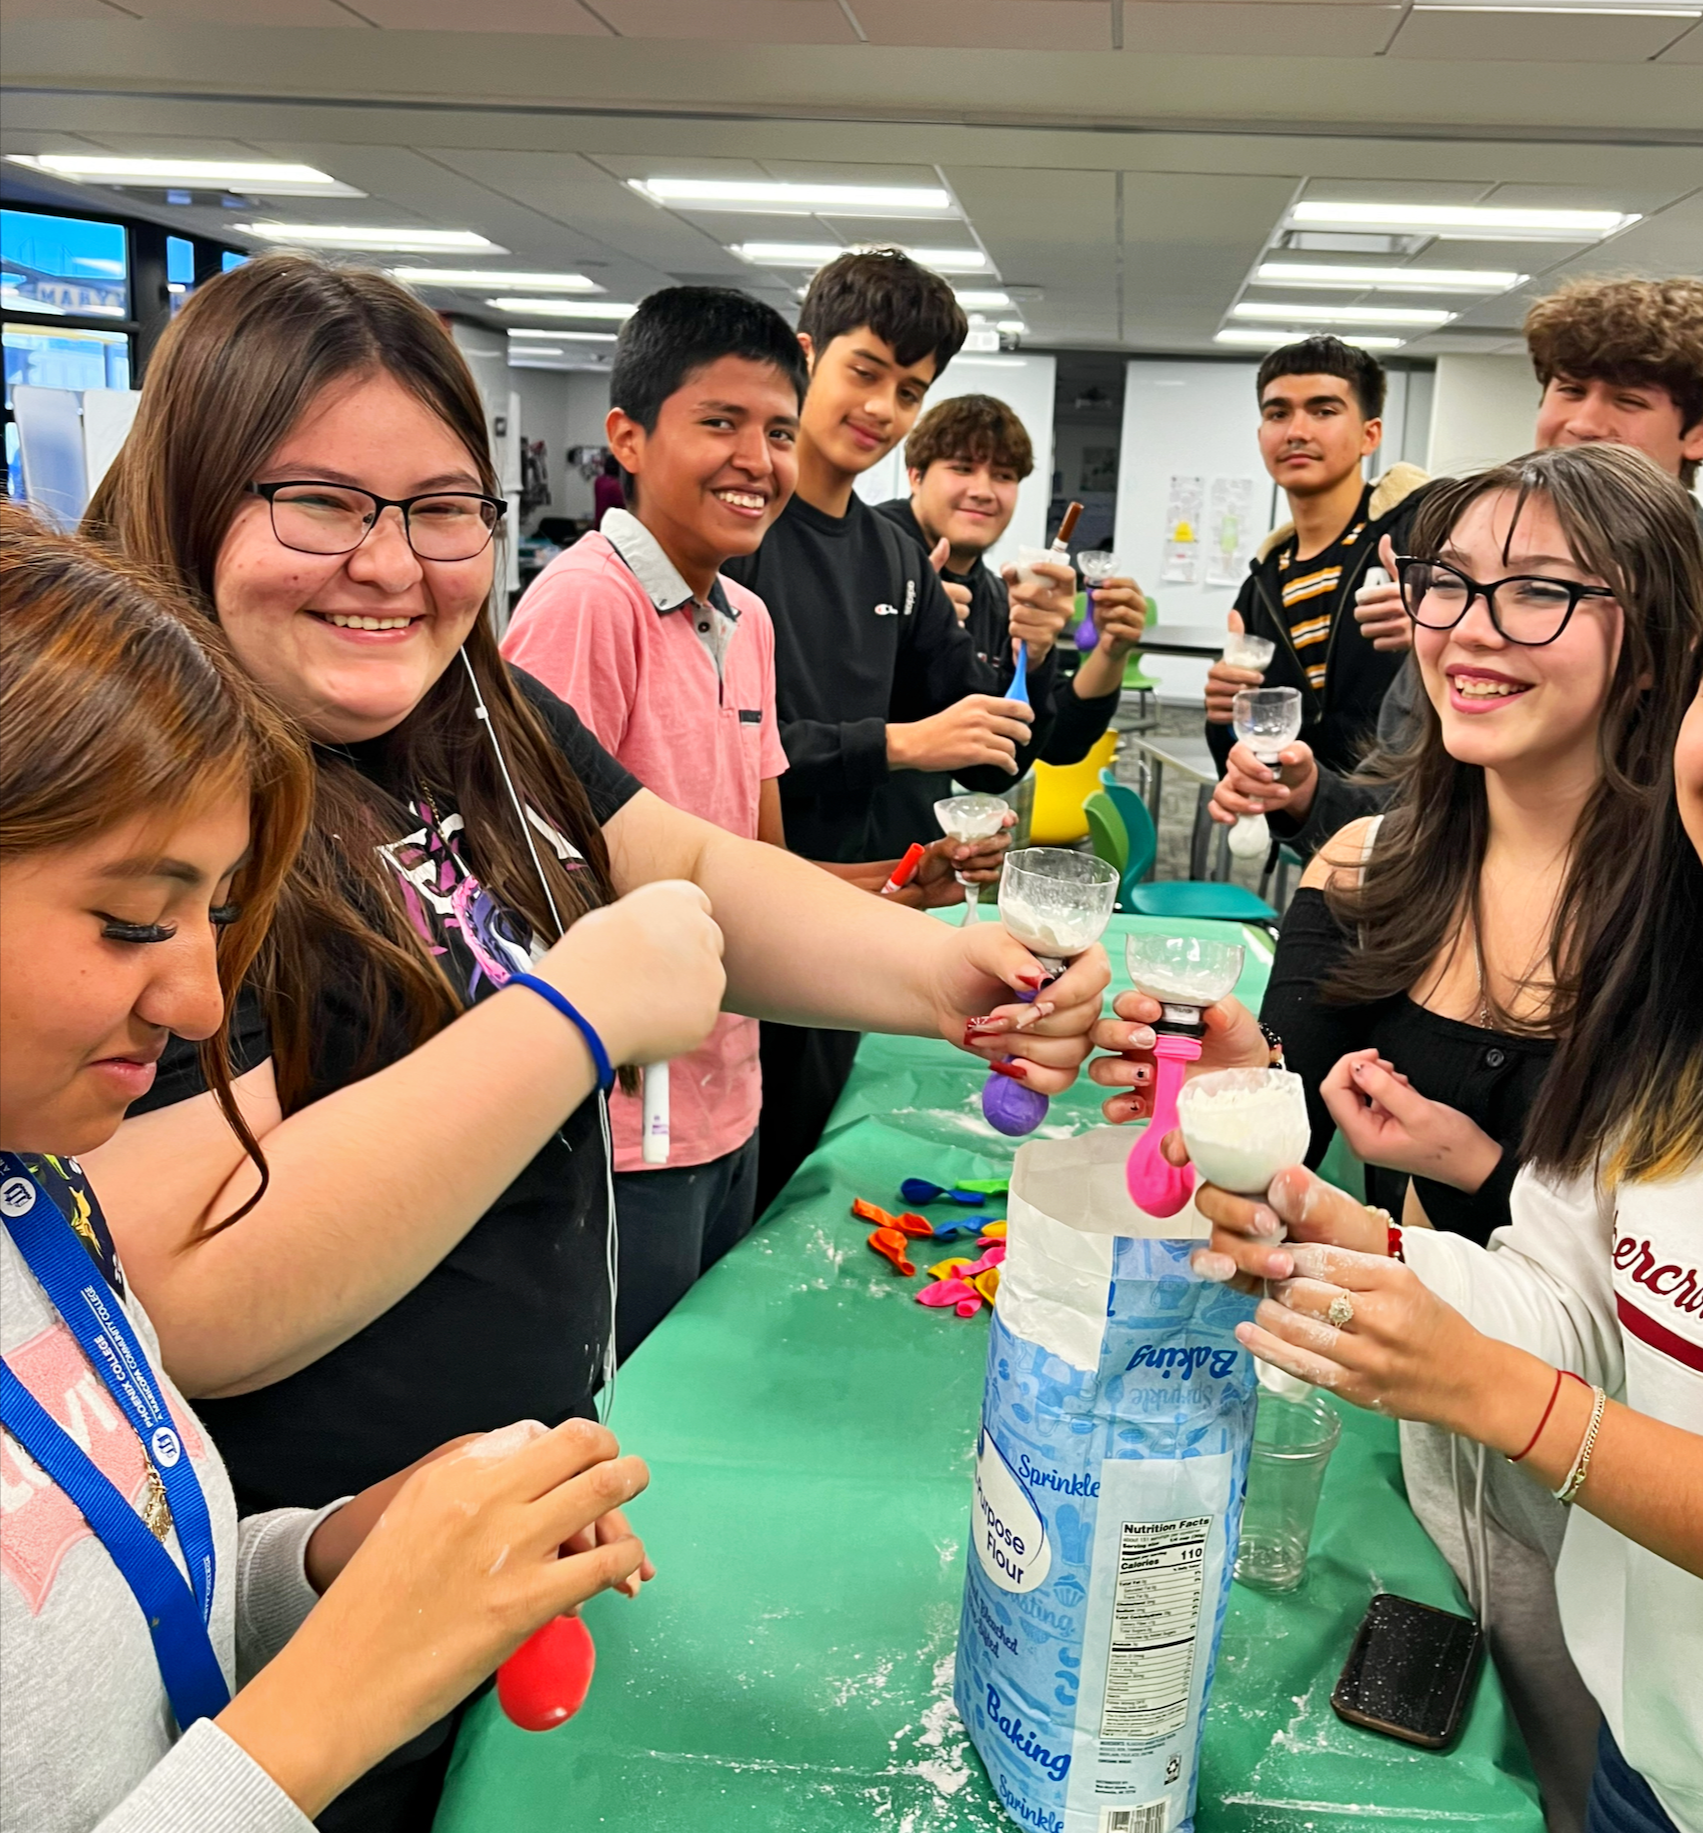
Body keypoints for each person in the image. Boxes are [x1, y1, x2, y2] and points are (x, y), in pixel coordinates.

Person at [76, 254, 1109, 1830]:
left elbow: (670, 861)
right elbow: (190, 1282)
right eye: (318, 503)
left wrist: (946, 975)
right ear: (196, 494)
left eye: (440, 509)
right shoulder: (164, 801)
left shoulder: (463, 705)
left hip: (493, 1543)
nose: (393, 564)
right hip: (303, 1611)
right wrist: (567, 1016)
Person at [0, 508, 656, 1832]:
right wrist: (337, 1702)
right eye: (134, 918)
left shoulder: (41, 1198)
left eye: (216, 912)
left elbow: (110, 1630)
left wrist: (333, 1554)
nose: (198, 1002)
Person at [1180, 514, 1703, 1833]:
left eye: (1536, 591)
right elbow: (1573, 1302)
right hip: (1654, 1750)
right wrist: (1347, 1234)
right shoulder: (1689, 1014)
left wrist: (1505, 1401)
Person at [1092, 443, 1703, 1828]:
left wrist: (1470, 1171)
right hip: (1386, 1424)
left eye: (1540, 592)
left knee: (1582, 1777)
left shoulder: (1699, 929)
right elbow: (1299, 1119)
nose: (1472, 632)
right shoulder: (1369, 863)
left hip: (1612, 1482)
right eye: (1445, 585)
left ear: (1660, 643)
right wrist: (1230, 1078)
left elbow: (1666, 1285)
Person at [501, 288, 1007, 1350]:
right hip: (619, 1135)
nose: (758, 459)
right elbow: (528, 889)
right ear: (629, 438)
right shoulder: (587, 604)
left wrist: (893, 887)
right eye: (719, 423)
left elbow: (759, 876)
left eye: (777, 430)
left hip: (731, 1103)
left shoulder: (748, 620)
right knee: (622, 1422)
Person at [719, 249, 1065, 1214]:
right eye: (864, 372)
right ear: (806, 356)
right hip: (749, 933)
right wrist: (901, 744)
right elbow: (732, 748)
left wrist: (1037, 651)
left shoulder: (894, 554)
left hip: (862, 919)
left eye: (909, 390)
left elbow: (992, 734)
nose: (881, 408)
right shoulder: (740, 535)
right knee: (738, 1194)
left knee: (808, 1174)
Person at [1215, 276, 1703, 859]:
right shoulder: (1461, 587)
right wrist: (1310, 797)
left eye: (1628, 401)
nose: (1583, 423)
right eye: (1570, 389)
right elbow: (1402, 799)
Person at [876, 392, 1148, 816]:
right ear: (915, 475)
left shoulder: (996, 595)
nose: (983, 491)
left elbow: (1043, 748)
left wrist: (1108, 652)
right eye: (962, 468)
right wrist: (903, 622)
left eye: (1002, 475)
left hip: (909, 844)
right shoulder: (866, 552)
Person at [1199, 335, 1429, 783]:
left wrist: (1442, 622)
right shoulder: (1263, 585)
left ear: (1370, 435)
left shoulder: (1421, 540)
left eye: (1324, 411)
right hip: (1310, 820)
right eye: (1278, 413)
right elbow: (1239, 756)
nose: (1296, 432)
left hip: (1417, 820)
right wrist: (1226, 713)